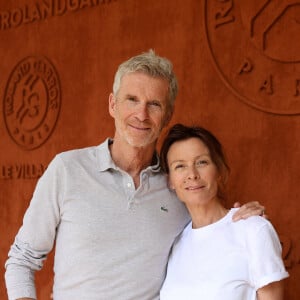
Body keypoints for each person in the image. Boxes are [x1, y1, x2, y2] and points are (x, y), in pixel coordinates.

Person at [5, 50, 265, 300]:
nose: (141, 115)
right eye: (132, 100)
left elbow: (212, 231)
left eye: (154, 104)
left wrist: (245, 221)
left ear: (167, 116)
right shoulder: (67, 170)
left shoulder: (178, 186)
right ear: (112, 104)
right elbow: (21, 260)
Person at [159, 123, 289, 300]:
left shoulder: (253, 229)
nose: (192, 174)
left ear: (218, 170)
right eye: (180, 166)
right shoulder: (175, 244)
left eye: (202, 162)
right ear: (170, 181)